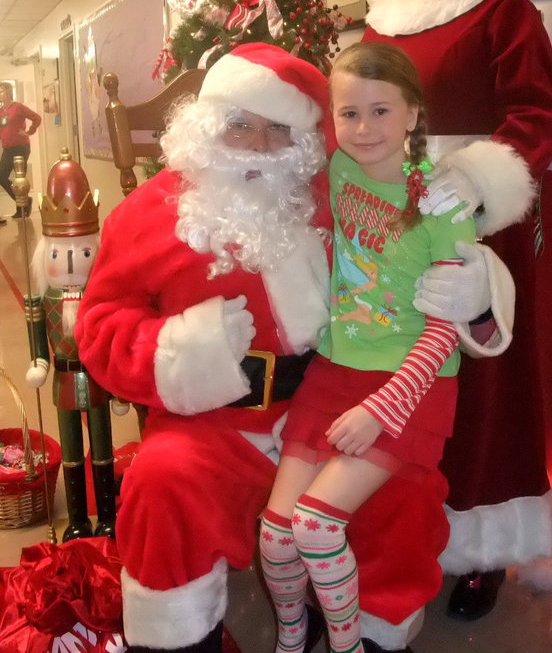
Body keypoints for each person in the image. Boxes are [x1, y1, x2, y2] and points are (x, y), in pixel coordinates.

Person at [77, 42, 479, 653]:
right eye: (241, 126)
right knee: (162, 484)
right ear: (208, 125)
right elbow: (101, 322)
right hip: (210, 425)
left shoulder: (333, 189)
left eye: (279, 130)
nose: (262, 146)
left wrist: (477, 283)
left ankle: (372, 636)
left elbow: (420, 207)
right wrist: (181, 353)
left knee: (406, 490)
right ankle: (179, 639)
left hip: (330, 402)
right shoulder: (147, 212)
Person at [363, 0, 552, 620]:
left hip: (475, 228)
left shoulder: (503, 12)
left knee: (481, 388)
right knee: (397, 376)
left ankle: (479, 544)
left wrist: (476, 185)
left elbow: (537, 114)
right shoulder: (376, 24)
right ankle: (403, 525)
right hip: (389, 225)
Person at [25, 149, 116, 542]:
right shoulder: (44, 301)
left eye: (80, 252)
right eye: (59, 254)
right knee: (72, 451)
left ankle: (107, 515)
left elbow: (112, 337)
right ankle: (78, 519)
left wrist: (117, 385)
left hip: (96, 378)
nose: (67, 263)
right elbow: (39, 343)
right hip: (63, 381)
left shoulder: (101, 299)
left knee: (103, 448)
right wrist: (40, 364)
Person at [0, 81, 40, 223]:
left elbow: (36, 117)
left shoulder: (18, 107)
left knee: (19, 178)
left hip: (20, 147)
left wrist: (29, 131)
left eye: (2, 91)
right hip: (7, 148)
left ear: (9, 92)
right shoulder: (1, 111)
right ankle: (23, 201)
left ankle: (21, 209)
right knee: (2, 176)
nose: (0, 94)